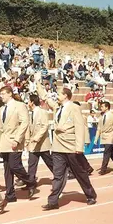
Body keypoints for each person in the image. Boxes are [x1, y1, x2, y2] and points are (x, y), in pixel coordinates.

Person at [35, 79, 97, 210]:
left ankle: (90, 195)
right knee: (58, 175)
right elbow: (45, 97)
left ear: (65, 96)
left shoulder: (74, 108)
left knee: (80, 173)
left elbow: (80, 127)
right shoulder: (57, 107)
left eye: (59, 94)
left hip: (70, 147)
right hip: (57, 147)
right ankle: (53, 201)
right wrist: (37, 82)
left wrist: (79, 147)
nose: (56, 95)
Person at [0, 86, 37, 202]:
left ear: (9, 94)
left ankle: (31, 182)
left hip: (14, 140)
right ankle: (10, 194)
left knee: (15, 165)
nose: (1, 96)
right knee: (7, 169)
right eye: (0, 94)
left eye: (3, 94)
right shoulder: (2, 108)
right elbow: (0, 127)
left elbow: (24, 123)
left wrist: (18, 139)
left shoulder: (19, 105)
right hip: (4, 141)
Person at [26, 94, 53, 183]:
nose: (27, 103)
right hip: (33, 144)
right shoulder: (30, 114)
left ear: (32, 102)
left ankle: (60, 175)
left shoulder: (42, 112)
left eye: (28, 101)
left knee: (49, 162)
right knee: (31, 164)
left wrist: (37, 137)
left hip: (42, 143)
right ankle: (31, 183)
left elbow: (45, 126)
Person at [94, 101, 113, 175]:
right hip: (103, 136)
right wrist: (96, 138)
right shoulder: (101, 116)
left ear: (107, 107)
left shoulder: (112, 115)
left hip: (110, 135)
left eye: (102, 106)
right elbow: (99, 128)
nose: (101, 108)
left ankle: (103, 169)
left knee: (106, 153)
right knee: (111, 153)